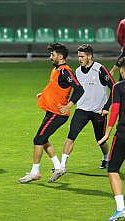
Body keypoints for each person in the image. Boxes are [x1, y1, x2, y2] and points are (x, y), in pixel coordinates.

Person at [19, 43, 84, 184]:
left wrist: (69, 106)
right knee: (44, 139)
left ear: (60, 56)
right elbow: (56, 87)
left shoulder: (65, 71)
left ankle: (35, 172)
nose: (50, 57)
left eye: (52, 54)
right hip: (52, 112)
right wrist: (44, 94)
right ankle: (58, 167)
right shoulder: (57, 70)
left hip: (57, 114)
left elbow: (79, 89)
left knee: (38, 140)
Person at [48, 44, 114, 182]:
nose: (79, 59)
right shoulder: (77, 71)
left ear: (90, 56)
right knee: (71, 136)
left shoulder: (100, 69)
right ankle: (62, 166)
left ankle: (106, 158)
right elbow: (74, 90)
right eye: (78, 56)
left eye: (82, 56)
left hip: (98, 111)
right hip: (82, 110)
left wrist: (107, 106)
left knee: (100, 139)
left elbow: (114, 87)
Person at [98, 57, 125, 221]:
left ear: (122, 70)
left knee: (113, 169)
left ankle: (121, 208)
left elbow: (114, 110)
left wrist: (107, 133)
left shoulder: (119, 87)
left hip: (122, 134)